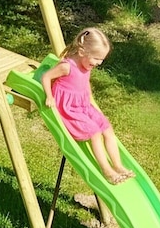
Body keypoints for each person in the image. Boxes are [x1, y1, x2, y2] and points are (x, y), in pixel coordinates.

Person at [41, 27, 135, 185]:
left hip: (83, 105)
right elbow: (46, 77)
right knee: (95, 132)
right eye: (96, 58)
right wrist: (49, 96)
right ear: (82, 51)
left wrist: (93, 105)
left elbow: (85, 85)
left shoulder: (86, 65)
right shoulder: (67, 66)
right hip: (68, 109)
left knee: (107, 128)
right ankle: (107, 170)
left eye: (101, 59)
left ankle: (117, 165)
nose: (99, 63)